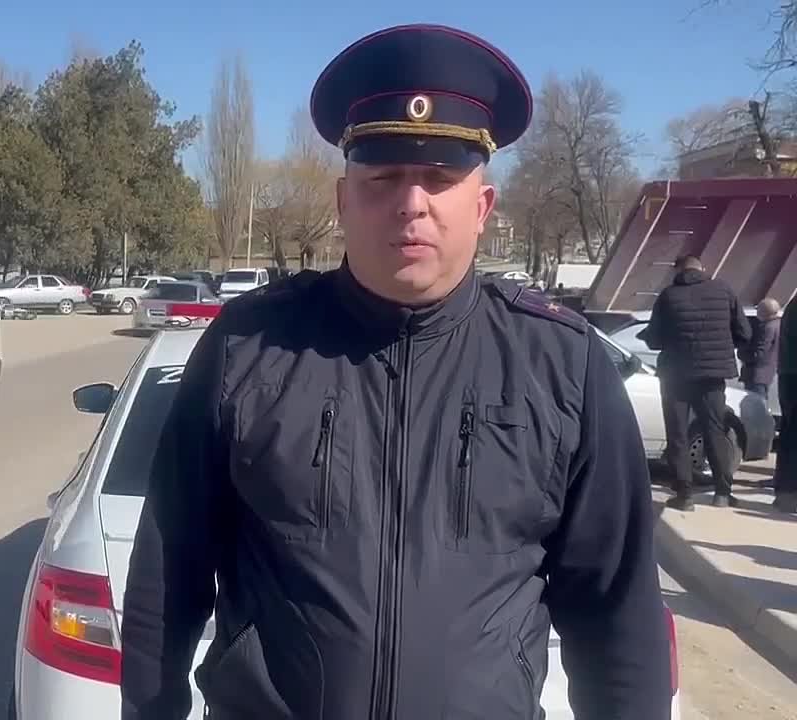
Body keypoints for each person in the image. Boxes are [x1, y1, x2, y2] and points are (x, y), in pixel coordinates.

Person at [120, 24, 670, 720]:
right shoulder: (247, 348)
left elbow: (617, 615)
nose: (412, 203)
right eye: (382, 179)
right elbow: (168, 572)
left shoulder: (563, 364)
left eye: (440, 179)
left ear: (482, 207)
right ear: (343, 201)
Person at [638, 255, 750, 510]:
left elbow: (654, 339)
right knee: (715, 430)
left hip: (675, 374)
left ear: (678, 270)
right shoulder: (724, 290)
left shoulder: (668, 296)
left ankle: (684, 495)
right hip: (712, 376)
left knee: (677, 433)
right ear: (702, 268)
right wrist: (722, 347)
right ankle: (722, 493)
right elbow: (744, 332)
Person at [774, 296, 797, 513]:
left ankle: (785, 492)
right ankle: (788, 493)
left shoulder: (792, 306)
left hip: (788, 375)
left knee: (789, 435)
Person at [740, 297, 781, 397]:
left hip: (757, 374)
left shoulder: (767, 327)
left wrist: (742, 355)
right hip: (768, 372)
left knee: (756, 402)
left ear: (764, 311)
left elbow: (760, 352)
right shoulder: (779, 324)